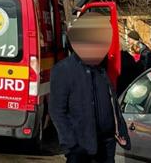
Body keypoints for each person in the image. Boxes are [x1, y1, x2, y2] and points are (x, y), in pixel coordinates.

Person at [51, 15, 130, 163]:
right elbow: (57, 111)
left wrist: (119, 129)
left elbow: (112, 102)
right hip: (81, 148)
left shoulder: (101, 67)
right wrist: (71, 145)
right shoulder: (63, 70)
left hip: (106, 144)